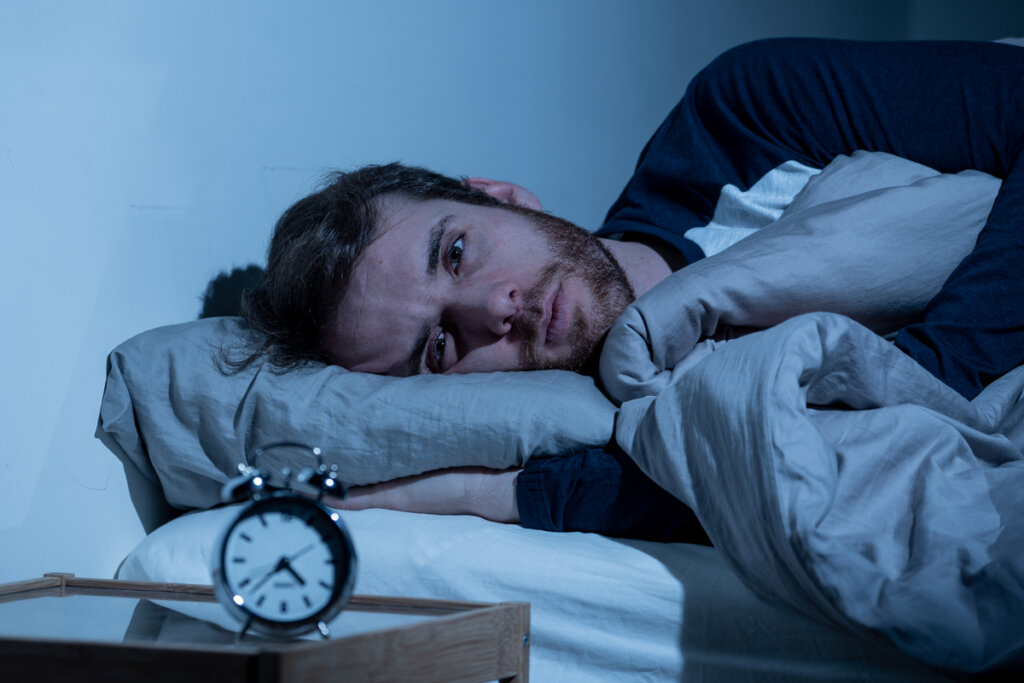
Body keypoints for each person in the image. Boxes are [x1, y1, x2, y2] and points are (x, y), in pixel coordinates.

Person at [241, 38, 1024, 542]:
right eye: (439, 346)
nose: (492, 307)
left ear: (502, 197)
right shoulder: (614, 434)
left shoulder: (744, 117)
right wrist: (479, 489)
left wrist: (934, 375)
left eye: (455, 253)